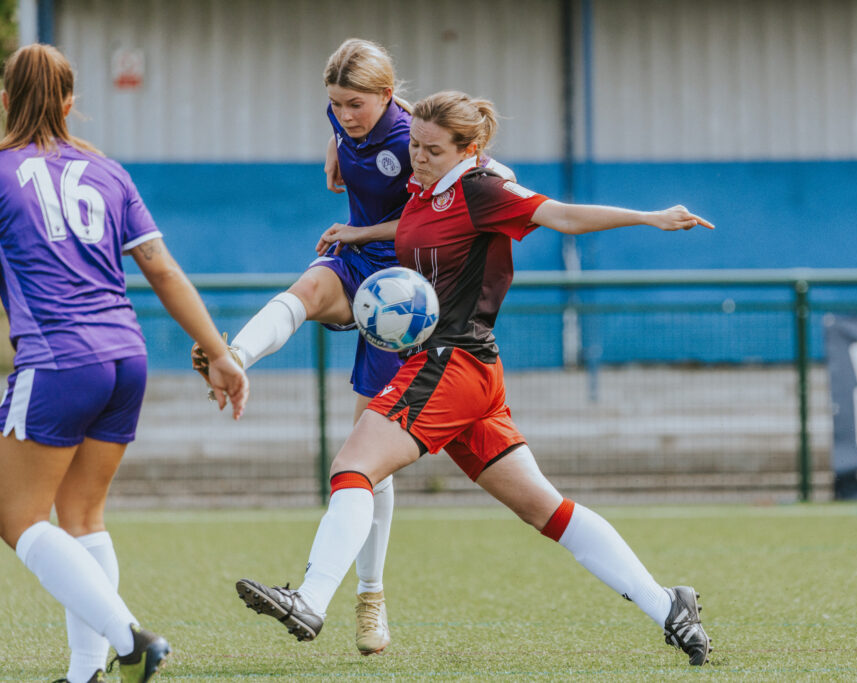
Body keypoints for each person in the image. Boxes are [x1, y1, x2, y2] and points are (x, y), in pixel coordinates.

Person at [234, 90, 715, 666]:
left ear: (470, 149)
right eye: (412, 144)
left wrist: (650, 217)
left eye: (431, 150)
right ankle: (670, 605)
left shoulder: (483, 189)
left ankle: (311, 599)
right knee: (547, 510)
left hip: (451, 362)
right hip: (471, 373)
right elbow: (404, 180)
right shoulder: (427, 188)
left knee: (353, 467)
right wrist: (360, 232)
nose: (416, 157)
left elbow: (559, 215)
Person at [192, 38, 512, 656]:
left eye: (357, 106)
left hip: (404, 294)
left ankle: (371, 597)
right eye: (335, 105)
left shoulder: (408, 139)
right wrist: (335, 149)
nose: (346, 115)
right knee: (311, 282)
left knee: (369, 444)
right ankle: (233, 359)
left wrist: (365, 223)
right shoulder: (342, 117)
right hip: (354, 263)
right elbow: (340, 133)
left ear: (389, 97)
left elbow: (455, 197)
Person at [0, 44, 249, 683]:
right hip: (125, 358)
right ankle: (88, 672)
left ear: (4, 99)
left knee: (17, 518)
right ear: (71, 101)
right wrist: (220, 355)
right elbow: (162, 270)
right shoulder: (108, 172)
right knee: (82, 516)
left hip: (57, 361)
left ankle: (130, 640)